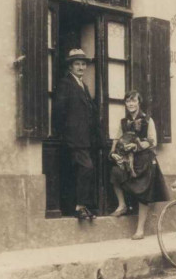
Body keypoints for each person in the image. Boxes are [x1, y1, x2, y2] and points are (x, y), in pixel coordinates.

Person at [109, 90, 167, 240]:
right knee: (115, 172)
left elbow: (152, 141)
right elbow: (117, 138)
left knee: (143, 192)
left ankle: (140, 229)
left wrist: (136, 147)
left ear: (139, 103)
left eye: (133, 101)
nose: (130, 104)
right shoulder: (123, 122)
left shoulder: (148, 120)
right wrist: (113, 152)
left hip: (144, 159)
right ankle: (122, 205)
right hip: (128, 160)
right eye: (128, 101)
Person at [52, 48, 100, 221]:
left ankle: (82, 206)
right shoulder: (66, 83)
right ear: (70, 67)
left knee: (82, 171)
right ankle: (80, 206)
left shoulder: (83, 85)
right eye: (77, 64)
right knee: (86, 168)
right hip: (73, 138)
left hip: (85, 139)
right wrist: (65, 133)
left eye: (83, 64)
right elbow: (58, 111)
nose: (80, 67)